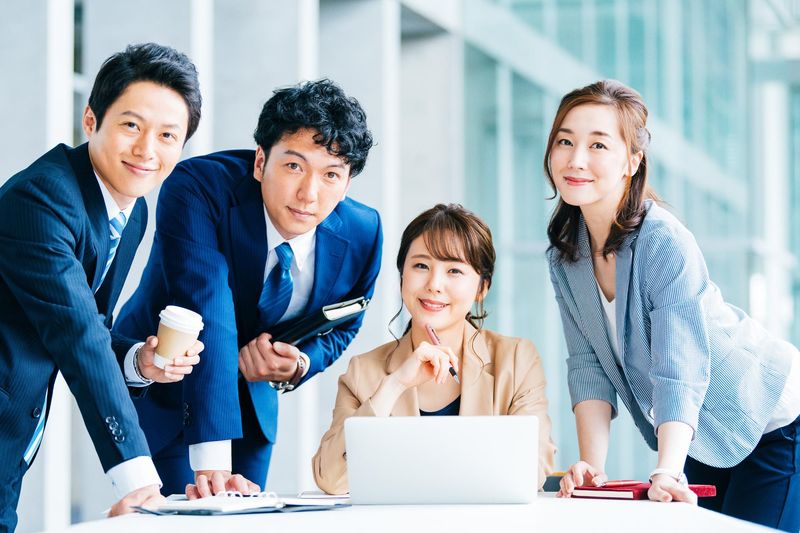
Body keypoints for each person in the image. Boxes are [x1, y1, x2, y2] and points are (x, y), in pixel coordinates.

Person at [546, 80, 800, 531]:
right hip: (704, 432)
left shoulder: (662, 239)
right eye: (565, 141)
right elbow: (587, 365)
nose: (576, 158)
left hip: (770, 415)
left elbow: (678, 365)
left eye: (598, 144)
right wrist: (591, 469)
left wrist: (667, 469)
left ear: (633, 161)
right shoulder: (566, 255)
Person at [114, 79, 382, 498]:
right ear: (260, 162)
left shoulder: (363, 231)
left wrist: (299, 363)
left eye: (331, 174)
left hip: (252, 408)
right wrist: (214, 464)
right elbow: (208, 305)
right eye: (294, 166)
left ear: (347, 184)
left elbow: (346, 322)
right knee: (182, 519)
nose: (309, 194)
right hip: (166, 390)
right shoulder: (200, 187)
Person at [0, 43, 204, 531]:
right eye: (132, 125)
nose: (147, 150)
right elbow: (79, 337)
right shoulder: (41, 199)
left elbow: (93, 323)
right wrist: (137, 480)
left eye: (168, 135)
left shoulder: (131, 211)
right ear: (91, 120)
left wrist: (140, 361)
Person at [313, 203, 556, 494]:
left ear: (482, 287)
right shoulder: (363, 371)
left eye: (454, 270)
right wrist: (395, 385)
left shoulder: (516, 361)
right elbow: (331, 479)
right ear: (402, 276)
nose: (434, 285)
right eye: (421, 266)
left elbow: (532, 469)